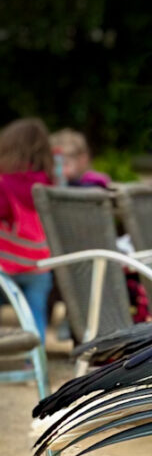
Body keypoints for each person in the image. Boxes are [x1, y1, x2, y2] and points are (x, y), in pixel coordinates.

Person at [0, 117, 54, 340]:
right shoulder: (47, 184)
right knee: (35, 316)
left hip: (6, 265)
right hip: (39, 266)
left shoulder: (4, 184)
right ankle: (34, 361)